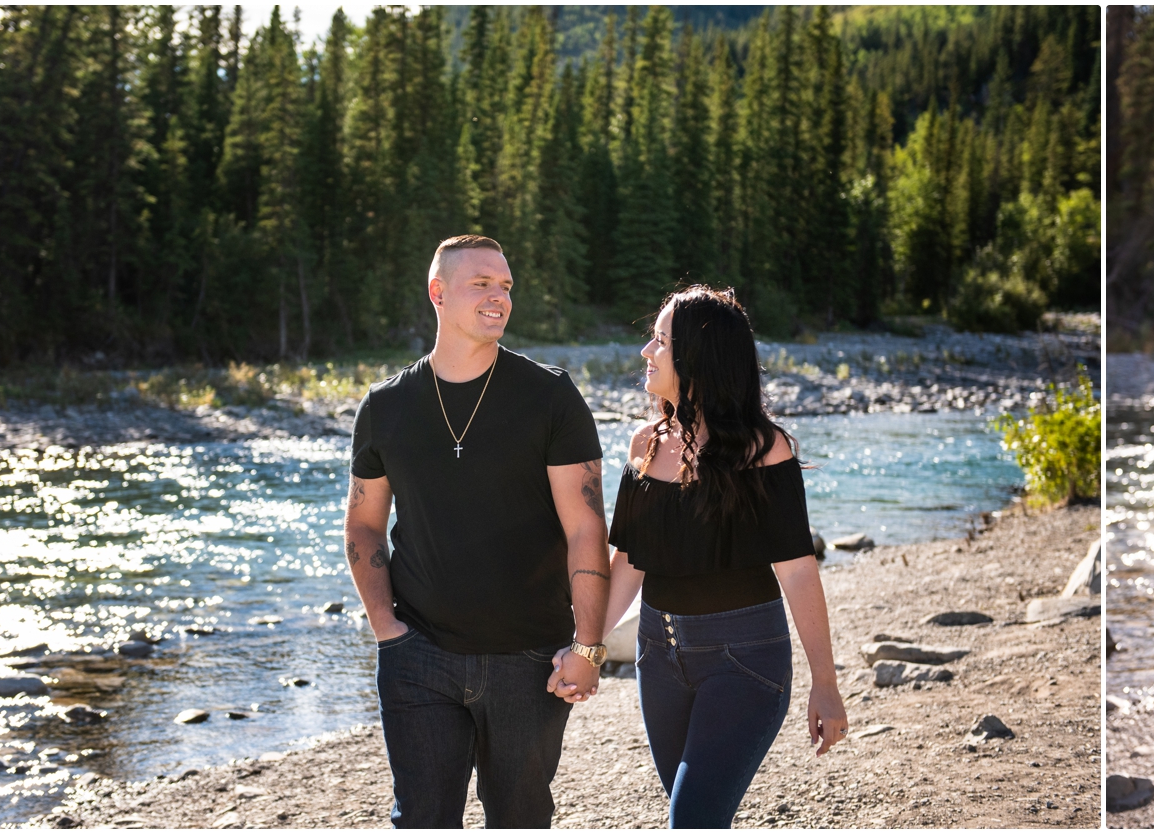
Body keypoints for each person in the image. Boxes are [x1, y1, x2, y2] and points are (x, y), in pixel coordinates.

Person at [343, 234, 612, 828]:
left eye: (507, 286)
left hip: (530, 658)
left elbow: (587, 527)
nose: (500, 297)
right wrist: (387, 629)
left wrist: (589, 646)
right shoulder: (386, 406)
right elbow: (364, 523)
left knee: (520, 818)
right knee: (422, 819)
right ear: (437, 293)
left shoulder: (551, 397)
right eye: (482, 284)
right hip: (418, 656)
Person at [597, 285, 848, 828]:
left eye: (660, 341)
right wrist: (584, 644)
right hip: (657, 659)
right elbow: (630, 563)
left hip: (745, 660)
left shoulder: (764, 449)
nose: (646, 352)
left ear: (696, 358)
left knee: (690, 822)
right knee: (699, 819)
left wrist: (824, 683)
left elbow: (799, 572)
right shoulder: (645, 445)